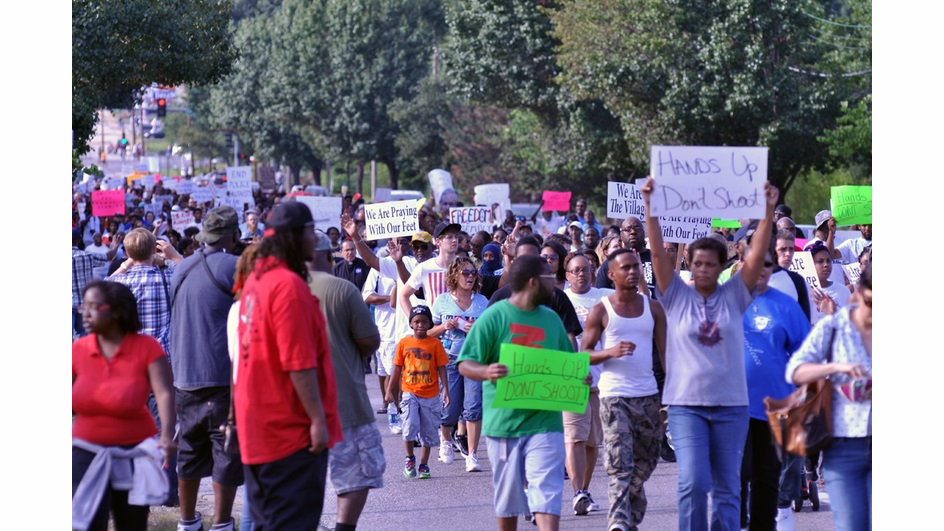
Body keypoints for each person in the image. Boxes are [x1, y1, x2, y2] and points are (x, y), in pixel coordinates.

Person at [639, 175, 779, 531]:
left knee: (728, 487)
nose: (703, 269)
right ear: (690, 264)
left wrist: (767, 212)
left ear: (722, 267)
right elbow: (657, 253)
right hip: (687, 406)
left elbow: (758, 254)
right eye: (697, 263)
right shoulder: (675, 295)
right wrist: (651, 208)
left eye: (710, 264)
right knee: (693, 483)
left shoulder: (735, 295)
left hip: (732, 406)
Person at [234, 202, 343, 530]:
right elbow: (298, 363)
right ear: (295, 236)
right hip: (289, 430)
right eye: (311, 230)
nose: (316, 237)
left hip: (260, 429)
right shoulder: (287, 286)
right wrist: (316, 421)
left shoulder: (256, 280)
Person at [458, 254, 586, 531]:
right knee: (509, 498)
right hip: (504, 425)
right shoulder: (494, 317)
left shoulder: (552, 319)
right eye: (549, 279)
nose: (555, 284)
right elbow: (465, 363)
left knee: (547, 491)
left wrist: (578, 376)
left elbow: (566, 365)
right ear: (532, 282)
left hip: (546, 423)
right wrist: (486, 372)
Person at [72, 281, 176, 531]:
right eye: (82, 307)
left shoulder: (146, 347)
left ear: (117, 311)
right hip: (85, 452)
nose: (84, 314)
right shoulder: (78, 349)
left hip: (134, 453)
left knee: (131, 524)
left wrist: (166, 436)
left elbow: (164, 393)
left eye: (93, 307)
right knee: (85, 524)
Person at [580, 249, 667, 531]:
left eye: (636, 267)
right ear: (612, 274)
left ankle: (630, 514)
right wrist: (611, 352)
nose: (632, 272)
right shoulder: (601, 309)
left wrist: (676, 392)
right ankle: (617, 521)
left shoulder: (653, 308)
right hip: (614, 396)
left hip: (648, 395)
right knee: (619, 464)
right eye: (626, 268)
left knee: (647, 460)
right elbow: (584, 354)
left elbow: (667, 356)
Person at [307, 226, 386, 531]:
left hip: (290, 406)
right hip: (342, 402)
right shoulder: (342, 289)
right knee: (356, 473)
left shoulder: (275, 288)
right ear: (329, 255)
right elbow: (369, 340)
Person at [170, 206, 244, 531]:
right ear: (231, 234)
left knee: (188, 451)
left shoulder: (181, 267)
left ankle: (187, 522)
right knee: (226, 450)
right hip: (221, 377)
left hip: (184, 377)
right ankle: (222, 523)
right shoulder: (236, 267)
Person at [786, 265, 871, 531]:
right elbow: (795, 371)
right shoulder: (835, 326)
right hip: (844, 447)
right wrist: (834, 368)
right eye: (870, 302)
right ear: (859, 293)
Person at [737, 239, 811, 531]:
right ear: (743, 263)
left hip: (775, 406)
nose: (763, 269)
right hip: (734, 404)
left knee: (767, 476)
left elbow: (805, 352)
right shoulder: (726, 299)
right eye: (757, 263)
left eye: (769, 264)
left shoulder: (786, 306)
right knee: (737, 474)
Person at [562, 252, 615, 517]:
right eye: (576, 270)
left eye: (586, 269)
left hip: (601, 379)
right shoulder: (560, 299)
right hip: (570, 379)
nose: (582, 274)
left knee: (593, 441)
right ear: (567, 274)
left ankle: (584, 488)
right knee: (574, 438)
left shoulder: (605, 296)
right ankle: (577, 492)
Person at [429, 257, 490, 472]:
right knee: (450, 410)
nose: (470, 276)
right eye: (465, 273)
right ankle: (445, 440)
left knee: (473, 408)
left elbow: (490, 332)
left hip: (475, 359)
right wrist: (445, 326)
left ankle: (471, 455)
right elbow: (427, 332)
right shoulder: (442, 301)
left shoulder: (482, 301)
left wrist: (478, 329)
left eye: (473, 273)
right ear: (455, 275)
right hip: (449, 361)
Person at [386, 305, 451, 479]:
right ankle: (409, 458)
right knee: (409, 426)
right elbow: (397, 368)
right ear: (411, 324)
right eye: (417, 322)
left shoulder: (435, 344)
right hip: (409, 392)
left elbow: (442, 367)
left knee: (428, 431)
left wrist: (446, 390)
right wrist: (389, 390)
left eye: (424, 322)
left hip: (430, 394)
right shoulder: (404, 343)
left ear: (430, 323)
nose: (420, 325)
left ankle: (424, 465)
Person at [73, 228, 120, 337]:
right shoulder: (88, 255)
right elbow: (109, 256)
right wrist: (116, 245)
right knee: (84, 336)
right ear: (80, 240)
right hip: (83, 304)